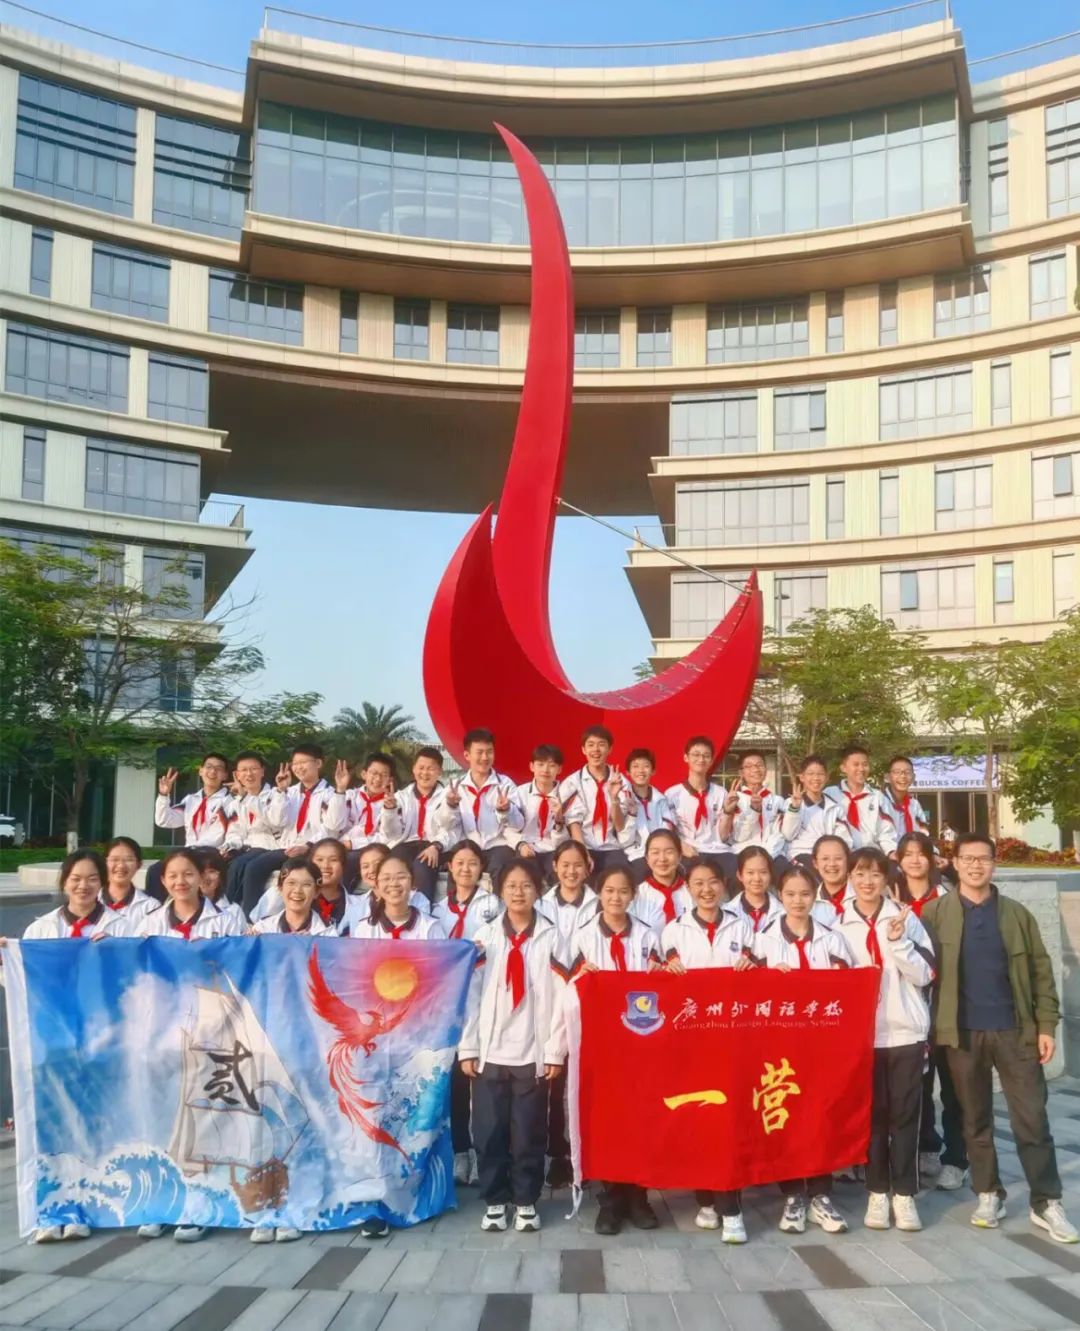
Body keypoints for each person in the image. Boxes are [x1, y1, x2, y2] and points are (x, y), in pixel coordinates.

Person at [921, 833, 1078, 1244]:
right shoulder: (934, 914)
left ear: (994, 864)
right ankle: (989, 1193)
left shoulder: (1016, 915)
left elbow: (1042, 973)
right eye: (968, 858)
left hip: (1016, 1032)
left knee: (1032, 1119)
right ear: (955, 863)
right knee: (974, 1120)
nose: (976, 865)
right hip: (962, 1035)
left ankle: (1046, 1201)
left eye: (984, 859)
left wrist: (1046, 1026)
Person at [4, 850, 124, 1243]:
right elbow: (20, 982)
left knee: (91, 1124)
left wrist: (119, 951)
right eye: (76, 878)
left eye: (91, 878)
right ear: (64, 882)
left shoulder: (120, 926)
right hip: (52, 1042)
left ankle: (85, 1207)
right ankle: (50, 1209)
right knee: (52, 1124)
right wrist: (8, 959)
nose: (83, 886)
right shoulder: (41, 929)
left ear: (102, 883)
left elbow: (135, 974)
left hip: (101, 1042)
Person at [460, 857, 565, 1234]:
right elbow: (470, 995)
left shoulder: (552, 937)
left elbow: (562, 997)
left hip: (531, 1053)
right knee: (489, 1132)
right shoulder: (485, 936)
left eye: (526, 885)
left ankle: (525, 1200)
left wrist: (554, 1050)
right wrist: (468, 1047)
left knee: (528, 1133)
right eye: (511, 886)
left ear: (538, 890)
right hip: (490, 1051)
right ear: (500, 891)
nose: (519, 892)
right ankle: (495, 1200)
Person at [559, 865, 663, 1235]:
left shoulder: (648, 936)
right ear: (599, 894)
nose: (616, 897)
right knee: (608, 1122)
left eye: (623, 891)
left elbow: (660, 987)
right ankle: (611, 1200)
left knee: (642, 1119)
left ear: (633, 895)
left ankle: (639, 1197)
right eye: (609, 891)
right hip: (601, 1045)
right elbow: (567, 990)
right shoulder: (583, 937)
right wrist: (582, 979)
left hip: (640, 1043)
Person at [835, 847, 934, 1234]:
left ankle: (904, 1194)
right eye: (860, 874)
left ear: (886, 880)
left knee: (906, 1116)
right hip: (863, 1038)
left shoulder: (905, 919)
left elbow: (925, 975)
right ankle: (877, 1191)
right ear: (850, 878)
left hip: (905, 1032)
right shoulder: (837, 924)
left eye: (875, 874)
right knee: (873, 1117)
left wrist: (899, 942)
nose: (867, 882)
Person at [753, 865, 854, 1236]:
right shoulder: (763, 939)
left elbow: (849, 989)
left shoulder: (831, 938)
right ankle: (793, 1194)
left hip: (822, 1046)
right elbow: (749, 991)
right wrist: (768, 979)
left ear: (816, 896)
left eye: (806, 894)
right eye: (791, 894)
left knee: (820, 1117)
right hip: (781, 1047)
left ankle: (820, 1195)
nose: (798, 901)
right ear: (780, 896)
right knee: (787, 1118)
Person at [662, 858, 754, 1243]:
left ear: (723, 885)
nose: (706, 890)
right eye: (698, 883)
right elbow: (660, 978)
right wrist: (667, 971)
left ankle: (732, 1207)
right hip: (692, 1043)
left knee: (730, 1123)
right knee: (700, 1120)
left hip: (733, 1042)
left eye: (713, 882)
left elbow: (758, 972)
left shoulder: (742, 926)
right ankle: (705, 1199)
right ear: (688, 888)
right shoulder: (674, 930)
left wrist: (753, 966)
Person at [893, 833, 967, 1192]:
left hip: (945, 1004)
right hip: (908, 1008)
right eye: (907, 854)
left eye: (921, 854)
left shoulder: (948, 898)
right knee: (918, 1086)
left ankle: (956, 1158)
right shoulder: (892, 901)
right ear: (898, 860)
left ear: (932, 859)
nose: (914, 860)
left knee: (952, 1087)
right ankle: (926, 1147)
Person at [432, 838, 505, 1187]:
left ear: (481, 869)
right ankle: (460, 1151)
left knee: (481, 1081)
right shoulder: (435, 909)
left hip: (482, 995)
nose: (465, 869)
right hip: (446, 1001)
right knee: (455, 1081)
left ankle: (484, 1153)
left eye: (472, 863)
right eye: (459, 863)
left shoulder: (493, 904)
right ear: (449, 867)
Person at [240, 743, 344, 916]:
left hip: (311, 849)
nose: (298, 767)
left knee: (287, 873)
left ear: (318, 763)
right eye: (295, 763)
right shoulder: (288, 792)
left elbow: (333, 827)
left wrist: (308, 845)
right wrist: (281, 791)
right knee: (253, 867)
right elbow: (277, 821)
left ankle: (263, 917)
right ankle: (248, 918)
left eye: (303, 762)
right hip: (286, 848)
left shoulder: (331, 794)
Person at [436, 729, 524, 879]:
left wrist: (506, 810)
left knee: (502, 872)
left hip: (497, 846)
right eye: (479, 752)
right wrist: (450, 806)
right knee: (458, 871)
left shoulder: (505, 785)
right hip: (467, 847)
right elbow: (445, 825)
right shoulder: (455, 787)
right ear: (467, 755)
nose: (485, 757)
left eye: (489, 752)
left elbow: (518, 825)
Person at [147, 754, 232, 900]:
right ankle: (156, 910)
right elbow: (164, 820)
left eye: (218, 769)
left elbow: (231, 831)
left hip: (213, 852)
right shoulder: (191, 800)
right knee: (155, 871)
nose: (213, 772)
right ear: (201, 771)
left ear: (225, 775)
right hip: (190, 851)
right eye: (209, 767)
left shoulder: (230, 801)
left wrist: (227, 848)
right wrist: (163, 795)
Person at [379, 746, 450, 903]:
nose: (425, 773)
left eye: (431, 768)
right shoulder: (401, 797)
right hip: (406, 845)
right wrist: (390, 810)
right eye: (421, 768)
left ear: (440, 772)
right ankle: (390, 907)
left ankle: (422, 910)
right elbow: (392, 834)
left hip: (435, 846)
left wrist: (436, 845)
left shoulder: (447, 796)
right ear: (414, 769)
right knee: (395, 864)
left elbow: (450, 829)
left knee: (423, 863)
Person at [559, 726, 632, 875]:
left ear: (610, 749)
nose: (596, 750)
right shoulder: (572, 783)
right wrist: (582, 853)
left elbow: (620, 827)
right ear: (583, 750)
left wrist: (614, 799)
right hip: (583, 845)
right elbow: (574, 823)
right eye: (591, 745)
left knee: (620, 879)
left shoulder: (622, 781)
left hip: (613, 847)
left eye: (601, 744)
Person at [663, 736, 733, 880]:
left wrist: (728, 811)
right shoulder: (672, 794)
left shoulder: (721, 793)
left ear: (711, 760)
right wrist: (681, 846)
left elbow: (723, 836)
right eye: (696, 754)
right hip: (688, 849)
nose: (701, 759)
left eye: (706, 755)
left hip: (716, 850)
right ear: (686, 757)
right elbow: (668, 829)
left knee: (734, 871)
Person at [222, 751, 285, 908]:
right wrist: (230, 846)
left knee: (241, 865)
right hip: (248, 848)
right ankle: (227, 909)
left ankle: (241, 912)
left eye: (254, 769)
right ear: (237, 774)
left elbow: (274, 822)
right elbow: (235, 831)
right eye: (244, 770)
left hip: (271, 846)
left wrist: (247, 798)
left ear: (262, 771)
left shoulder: (275, 795)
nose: (249, 774)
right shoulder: (235, 803)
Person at [777, 756, 851, 866]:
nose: (816, 778)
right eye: (811, 774)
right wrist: (795, 808)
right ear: (802, 777)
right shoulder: (790, 803)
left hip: (827, 856)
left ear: (826, 777)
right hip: (799, 855)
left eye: (820, 774)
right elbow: (788, 835)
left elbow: (844, 839)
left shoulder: (835, 808)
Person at [351, 855, 446, 941]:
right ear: (377, 884)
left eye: (401, 877)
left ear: (412, 882)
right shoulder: (365, 929)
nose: (394, 884)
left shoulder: (430, 927)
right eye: (386, 878)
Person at [825, 746, 897, 855]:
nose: (861, 769)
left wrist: (890, 852)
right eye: (856, 764)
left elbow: (886, 831)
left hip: (872, 855)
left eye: (865, 764)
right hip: (839, 856)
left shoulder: (877, 797)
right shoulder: (830, 794)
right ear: (843, 768)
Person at [718, 751, 786, 862]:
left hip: (772, 853)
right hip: (741, 853)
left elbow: (780, 834)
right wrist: (754, 811)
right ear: (741, 773)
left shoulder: (777, 800)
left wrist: (769, 855)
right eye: (749, 766)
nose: (755, 770)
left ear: (765, 769)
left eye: (759, 765)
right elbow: (738, 837)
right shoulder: (735, 799)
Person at [515, 744, 568, 882]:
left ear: (559, 769)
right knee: (526, 877)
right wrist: (521, 845)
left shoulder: (566, 795)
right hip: (527, 847)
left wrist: (559, 821)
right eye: (540, 764)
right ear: (531, 766)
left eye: (551, 765)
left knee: (560, 876)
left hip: (554, 849)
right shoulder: (519, 793)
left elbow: (564, 839)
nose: (545, 770)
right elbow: (508, 828)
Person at [622, 748, 675, 881]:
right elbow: (624, 840)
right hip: (635, 854)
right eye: (635, 766)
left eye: (646, 766)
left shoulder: (661, 800)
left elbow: (667, 831)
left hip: (660, 852)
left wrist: (657, 850)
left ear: (653, 771)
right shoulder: (623, 799)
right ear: (628, 772)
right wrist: (632, 815)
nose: (641, 771)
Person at [250, 859, 334, 943]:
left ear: (317, 892)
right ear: (280, 887)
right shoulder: (263, 929)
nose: (297, 890)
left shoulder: (327, 933)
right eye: (291, 883)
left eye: (306, 885)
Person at [631, 828, 689, 934]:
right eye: (655, 852)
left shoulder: (692, 891)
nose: (662, 859)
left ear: (679, 856)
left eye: (669, 852)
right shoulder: (637, 894)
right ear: (647, 858)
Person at [101, 836, 154, 925]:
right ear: (104, 862)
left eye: (128, 860)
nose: (121, 865)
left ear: (139, 865)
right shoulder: (91, 900)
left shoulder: (150, 907)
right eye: (115, 859)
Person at [730, 846, 783, 935]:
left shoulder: (783, 912)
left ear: (770, 874)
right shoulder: (727, 912)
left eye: (763, 872)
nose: (757, 878)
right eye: (750, 872)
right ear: (739, 875)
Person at [193, 848, 247, 934]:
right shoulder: (179, 909)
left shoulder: (234, 911)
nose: (206, 877)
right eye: (200, 871)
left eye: (212, 871)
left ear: (221, 876)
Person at [880, 756, 931, 840]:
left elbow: (923, 833)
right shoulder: (878, 802)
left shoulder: (914, 805)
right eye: (897, 772)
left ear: (913, 778)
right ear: (887, 777)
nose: (903, 776)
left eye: (907, 772)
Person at [810, 835, 854, 924]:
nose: (832, 864)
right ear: (815, 863)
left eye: (838, 858)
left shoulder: (862, 894)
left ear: (848, 860)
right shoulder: (810, 903)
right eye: (825, 859)